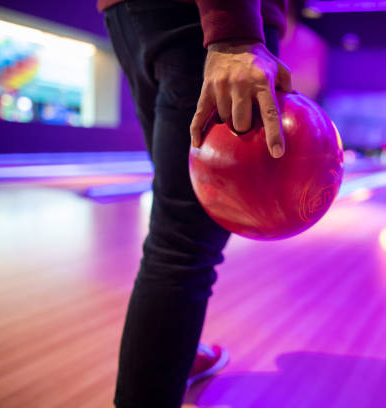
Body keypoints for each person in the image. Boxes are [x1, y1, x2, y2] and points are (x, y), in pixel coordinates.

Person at [97, 0, 290, 406]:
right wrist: (234, 36)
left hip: (130, 16)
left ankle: (175, 357)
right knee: (183, 243)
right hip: (209, 20)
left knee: (177, 225)